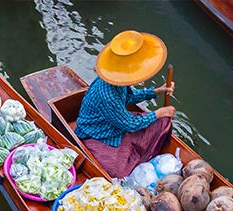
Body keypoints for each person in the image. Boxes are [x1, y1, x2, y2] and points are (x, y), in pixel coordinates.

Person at [75, 30, 175, 179]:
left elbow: (130, 97)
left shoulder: (119, 81)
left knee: (164, 122)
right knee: (118, 174)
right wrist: (158, 112)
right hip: (97, 133)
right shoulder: (107, 94)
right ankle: (133, 153)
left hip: (117, 123)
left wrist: (157, 91)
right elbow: (128, 124)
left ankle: (133, 151)